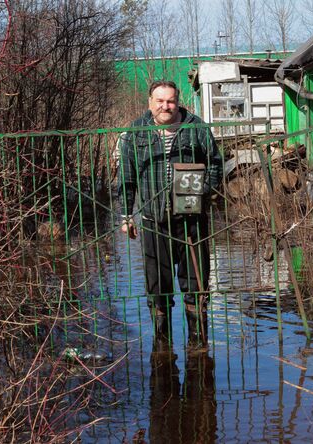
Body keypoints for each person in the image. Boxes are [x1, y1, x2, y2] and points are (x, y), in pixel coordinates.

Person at [117, 80, 223, 348]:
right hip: (153, 223)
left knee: (195, 286)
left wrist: (200, 190)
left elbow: (216, 165)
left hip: (192, 223)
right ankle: (162, 347)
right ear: (150, 101)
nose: (166, 106)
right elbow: (126, 178)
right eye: (160, 101)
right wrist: (126, 216)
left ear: (178, 101)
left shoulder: (196, 128)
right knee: (158, 289)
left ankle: (198, 346)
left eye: (171, 101)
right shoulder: (136, 131)